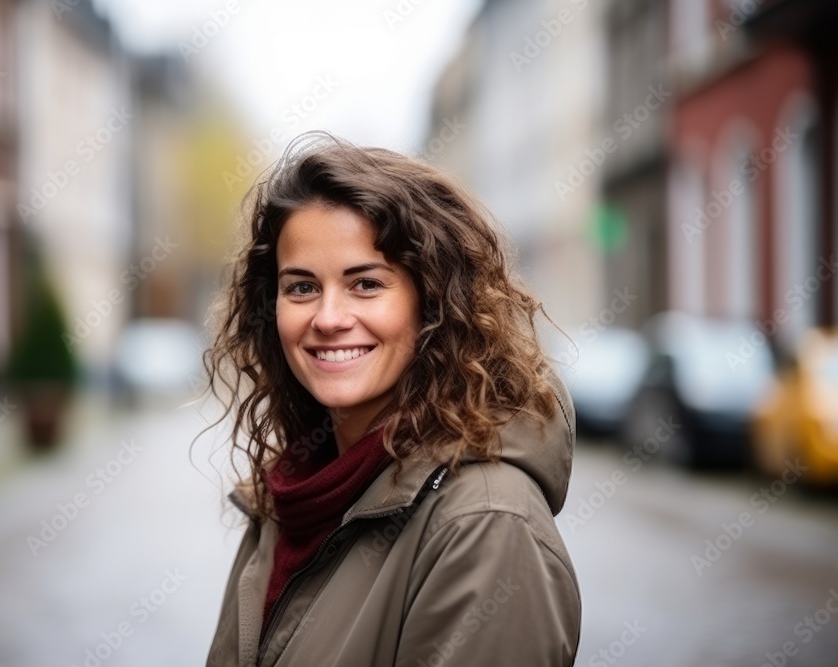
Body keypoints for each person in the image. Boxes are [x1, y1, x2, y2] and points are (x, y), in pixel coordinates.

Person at [200, 132, 581, 666]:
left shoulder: (486, 525)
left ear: (433, 303)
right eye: (302, 287)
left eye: (366, 285)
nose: (328, 319)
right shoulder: (295, 495)